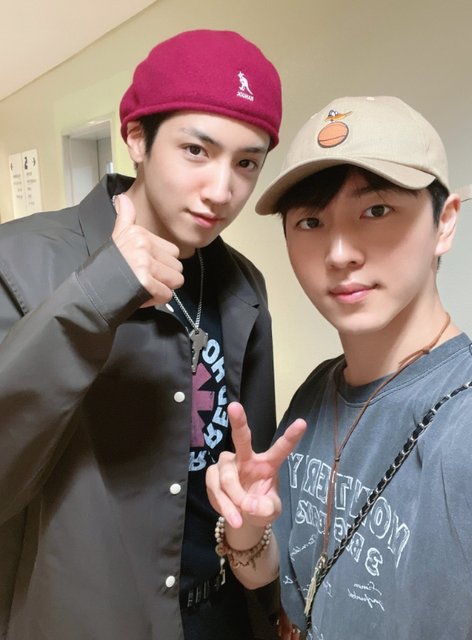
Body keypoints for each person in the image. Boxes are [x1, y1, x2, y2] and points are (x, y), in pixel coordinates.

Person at [0, 30, 284, 640]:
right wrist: (97, 293)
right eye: (196, 150)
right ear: (136, 138)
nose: (221, 191)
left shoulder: (242, 287)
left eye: (247, 163)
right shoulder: (18, 259)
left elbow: (249, 472)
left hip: (221, 615)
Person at [206, 95, 472, 639]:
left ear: (445, 221)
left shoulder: (466, 427)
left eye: (376, 211)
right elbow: (272, 573)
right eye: (311, 221)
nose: (338, 253)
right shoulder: (318, 392)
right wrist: (247, 526)